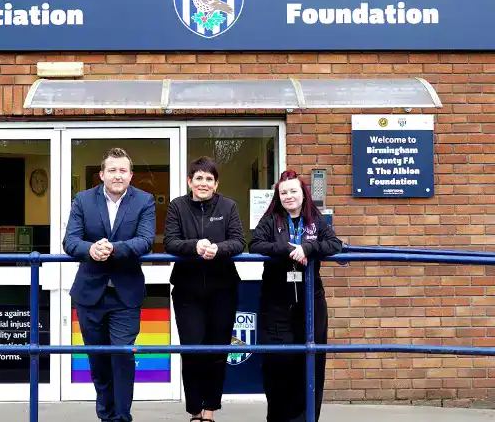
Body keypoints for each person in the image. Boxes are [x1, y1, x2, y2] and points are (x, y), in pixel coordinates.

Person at [63, 147, 156, 422]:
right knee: (99, 362)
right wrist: (91, 250)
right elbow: (70, 241)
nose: (118, 176)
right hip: (90, 294)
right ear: (102, 174)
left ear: (131, 175)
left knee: (122, 357)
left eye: (123, 171)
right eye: (112, 170)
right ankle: (106, 416)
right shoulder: (83, 200)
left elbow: (145, 240)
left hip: (126, 295)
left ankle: (122, 418)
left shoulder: (144, 200)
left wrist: (113, 249)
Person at [249, 169, 342, 422]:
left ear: (303, 194)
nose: (289, 196)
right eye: (283, 192)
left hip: (311, 303)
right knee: (278, 364)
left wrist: (309, 248)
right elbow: (255, 244)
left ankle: (307, 418)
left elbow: (334, 244)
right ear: (278, 197)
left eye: (293, 191)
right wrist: (287, 249)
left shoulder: (315, 220)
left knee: (310, 363)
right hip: (275, 303)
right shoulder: (271, 220)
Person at [163, 156, 246, 422]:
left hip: (222, 289)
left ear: (216, 183)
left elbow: (239, 242)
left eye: (209, 179)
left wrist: (218, 249)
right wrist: (194, 247)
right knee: (192, 350)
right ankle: (195, 411)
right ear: (190, 181)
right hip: (187, 291)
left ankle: (209, 411)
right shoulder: (177, 206)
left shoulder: (228, 206)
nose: (203, 183)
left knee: (217, 352)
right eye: (198, 178)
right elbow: (170, 243)